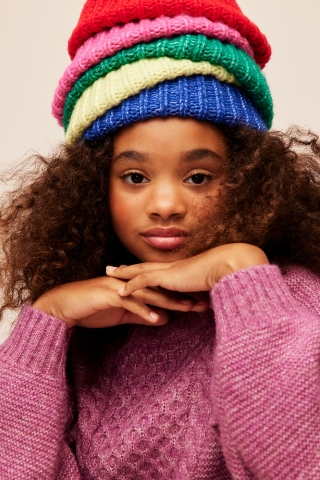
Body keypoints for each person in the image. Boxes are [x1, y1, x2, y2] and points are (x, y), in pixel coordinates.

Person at [0, 0, 320, 478]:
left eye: (198, 177)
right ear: (91, 188)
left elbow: (298, 463)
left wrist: (241, 273)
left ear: (250, 177)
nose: (166, 204)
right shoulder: (88, 332)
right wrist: (47, 320)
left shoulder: (291, 303)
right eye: (134, 176)